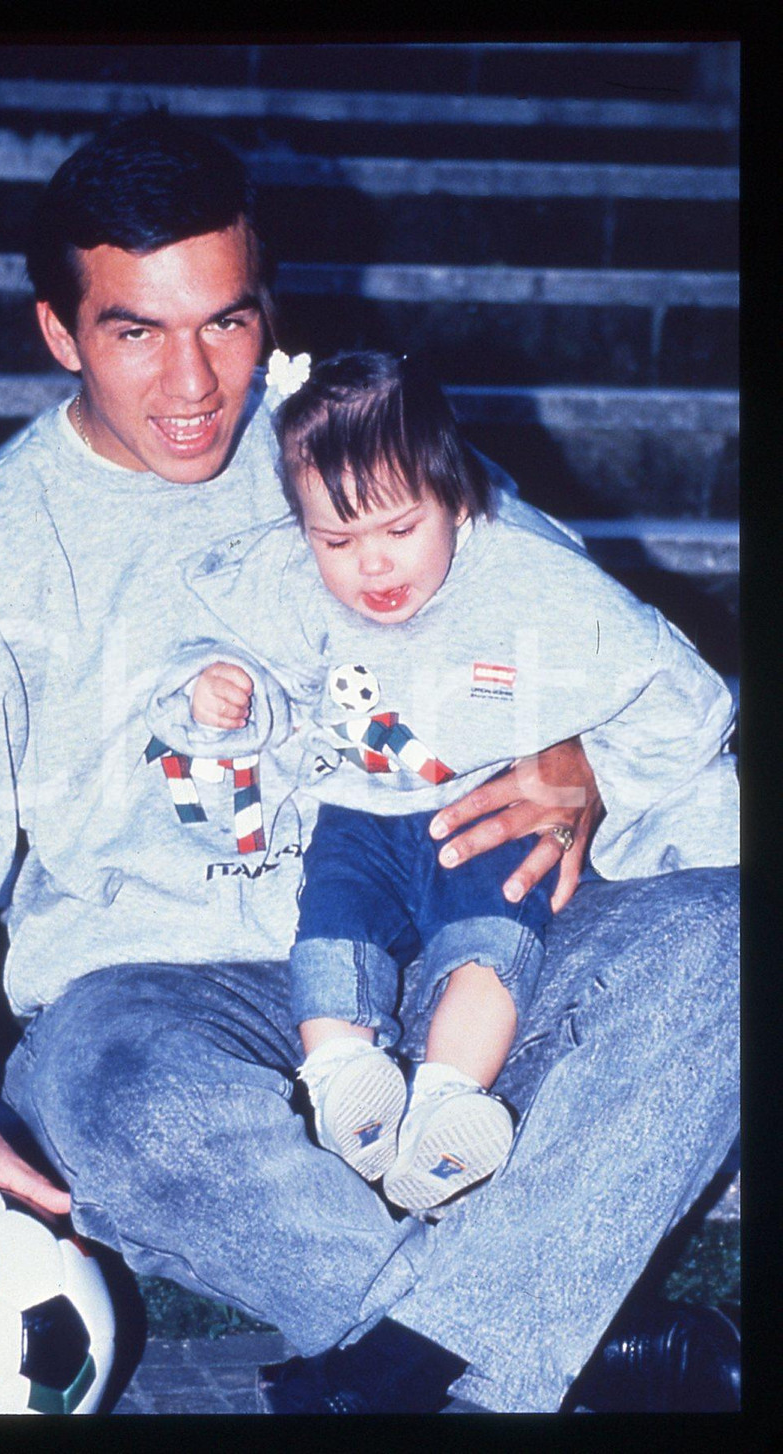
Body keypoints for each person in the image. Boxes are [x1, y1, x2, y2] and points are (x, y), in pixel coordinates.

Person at [0, 111, 740, 1414]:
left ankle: (421, 1362)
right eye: (136, 332)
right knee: (93, 1083)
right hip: (187, 1004)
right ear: (59, 333)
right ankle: (557, 1344)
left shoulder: (355, 444)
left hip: (463, 961)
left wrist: (581, 751)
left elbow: (580, 628)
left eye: (227, 322)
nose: (193, 382)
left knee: (727, 934)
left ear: (269, 306)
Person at [147, 349, 738, 1222]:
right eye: (337, 542)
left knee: (495, 928)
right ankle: (343, 1078)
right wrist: (222, 701)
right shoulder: (288, 585)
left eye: (399, 530)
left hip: (487, 801)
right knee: (331, 923)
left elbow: (675, 688)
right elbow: (255, 674)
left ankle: (449, 1099)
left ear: (456, 500)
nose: (373, 568)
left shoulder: (530, 574)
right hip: (358, 810)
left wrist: (600, 768)